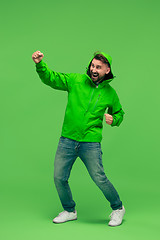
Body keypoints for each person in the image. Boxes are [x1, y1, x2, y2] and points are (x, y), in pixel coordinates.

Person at [32, 50, 126, 226]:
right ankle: (69, 211)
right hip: (67, 139)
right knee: (59, 177)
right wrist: (40, 65)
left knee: (99, 177)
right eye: (92, 65)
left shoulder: (110, 94)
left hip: (90, 143)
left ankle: (118, 208)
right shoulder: (76, 80)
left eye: (98, 67)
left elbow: (120, 113)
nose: (94, 69)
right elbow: (52, 78)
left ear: (107, 70)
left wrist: (114, 119)